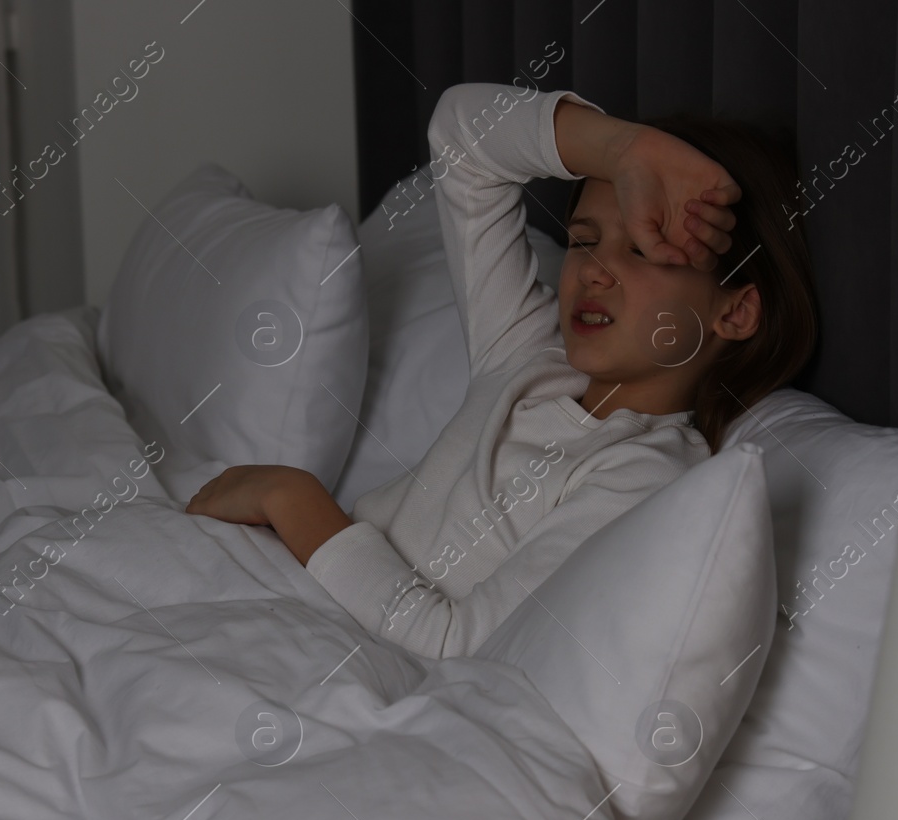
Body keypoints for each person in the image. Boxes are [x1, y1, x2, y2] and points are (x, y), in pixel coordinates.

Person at [186, 81, 818, 658]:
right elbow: (461, 143)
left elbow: (457, 646)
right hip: (290, 595)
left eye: (643, 249)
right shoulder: (526, 352)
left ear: (735, 312)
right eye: (583, 239)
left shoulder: (644, 474)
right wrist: (622, 149)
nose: (593, 270)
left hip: (340, 646)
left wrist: (293, 500)